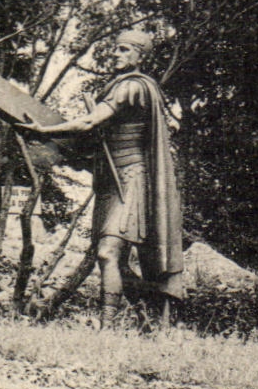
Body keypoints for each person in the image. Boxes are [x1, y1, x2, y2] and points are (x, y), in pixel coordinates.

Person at [20, 29, 183, 328]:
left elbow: (89, 122)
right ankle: (156, 316)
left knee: (108, 253)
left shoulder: (132, 87)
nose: (117, 55)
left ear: (140, 56)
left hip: (131, 179)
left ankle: (108, 327)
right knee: (112, 259)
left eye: (124, 50)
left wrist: (44, 131)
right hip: (111, 179)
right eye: (116, 50)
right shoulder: (119, 85)